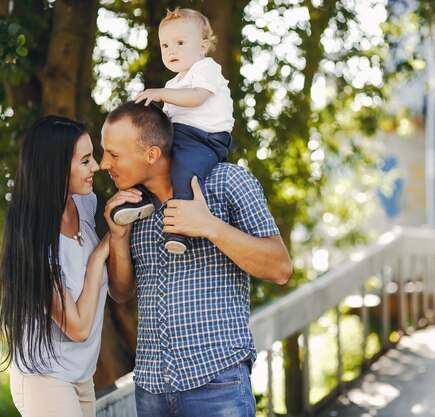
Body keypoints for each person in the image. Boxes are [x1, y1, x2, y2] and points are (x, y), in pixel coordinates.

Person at [100, 101, 292, 417]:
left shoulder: (227, 182)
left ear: (151, 154)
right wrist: (119, 237)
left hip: (217, 384)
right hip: (151, 389)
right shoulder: (133, 207)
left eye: (114, 154)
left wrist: (209, 226)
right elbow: (120, 292)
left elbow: (280, 268)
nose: (104, 163)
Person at [0, 115, 110, 417]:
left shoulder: (85, 204)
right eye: (85, 161)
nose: (96, 167)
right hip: (45, 376)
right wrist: (99, 255)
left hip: (81, 374)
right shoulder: (35, 240)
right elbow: (79, 327)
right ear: (57, 168)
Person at [111, 7, 234, 255]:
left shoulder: (206, 68)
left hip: (205, 138)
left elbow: (197, 97)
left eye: (179, 42)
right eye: (165, 45)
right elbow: (169, 117)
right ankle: (143, 200)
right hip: (179, 135)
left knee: (184, 171)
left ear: (202, 46)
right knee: (149, 159)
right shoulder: (172, 83)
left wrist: (160, 94)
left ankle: (180, 229)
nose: (171, 50)